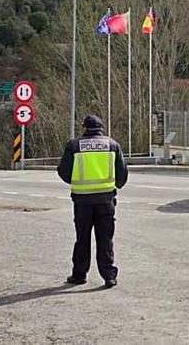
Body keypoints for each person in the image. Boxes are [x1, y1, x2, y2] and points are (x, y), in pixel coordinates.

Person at [57, 115, 128, 288]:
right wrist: (113, 186)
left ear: (84, 127)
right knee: (105, 239)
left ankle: (79, 275)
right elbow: (122, 174)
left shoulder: (74, 146)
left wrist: (76, 182)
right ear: (101, 127)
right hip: (106, 200)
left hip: (82, 201)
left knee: (82, 238)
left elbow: (63, 171)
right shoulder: (112, 145)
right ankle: (109, 276)